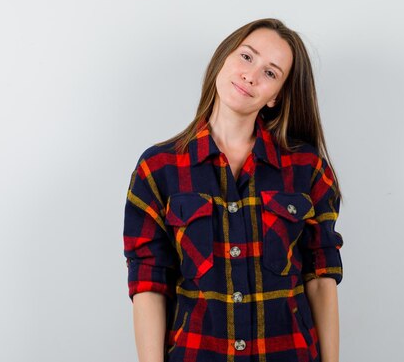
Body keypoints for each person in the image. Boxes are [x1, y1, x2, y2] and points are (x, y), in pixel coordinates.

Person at [122, 18, 344, 362]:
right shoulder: (158, 169)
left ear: (276, 96)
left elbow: (320, 278)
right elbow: (150, 285)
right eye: (246, 57)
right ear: (223, 58)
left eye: (271, 73)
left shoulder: (307, 169)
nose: (251, 75)